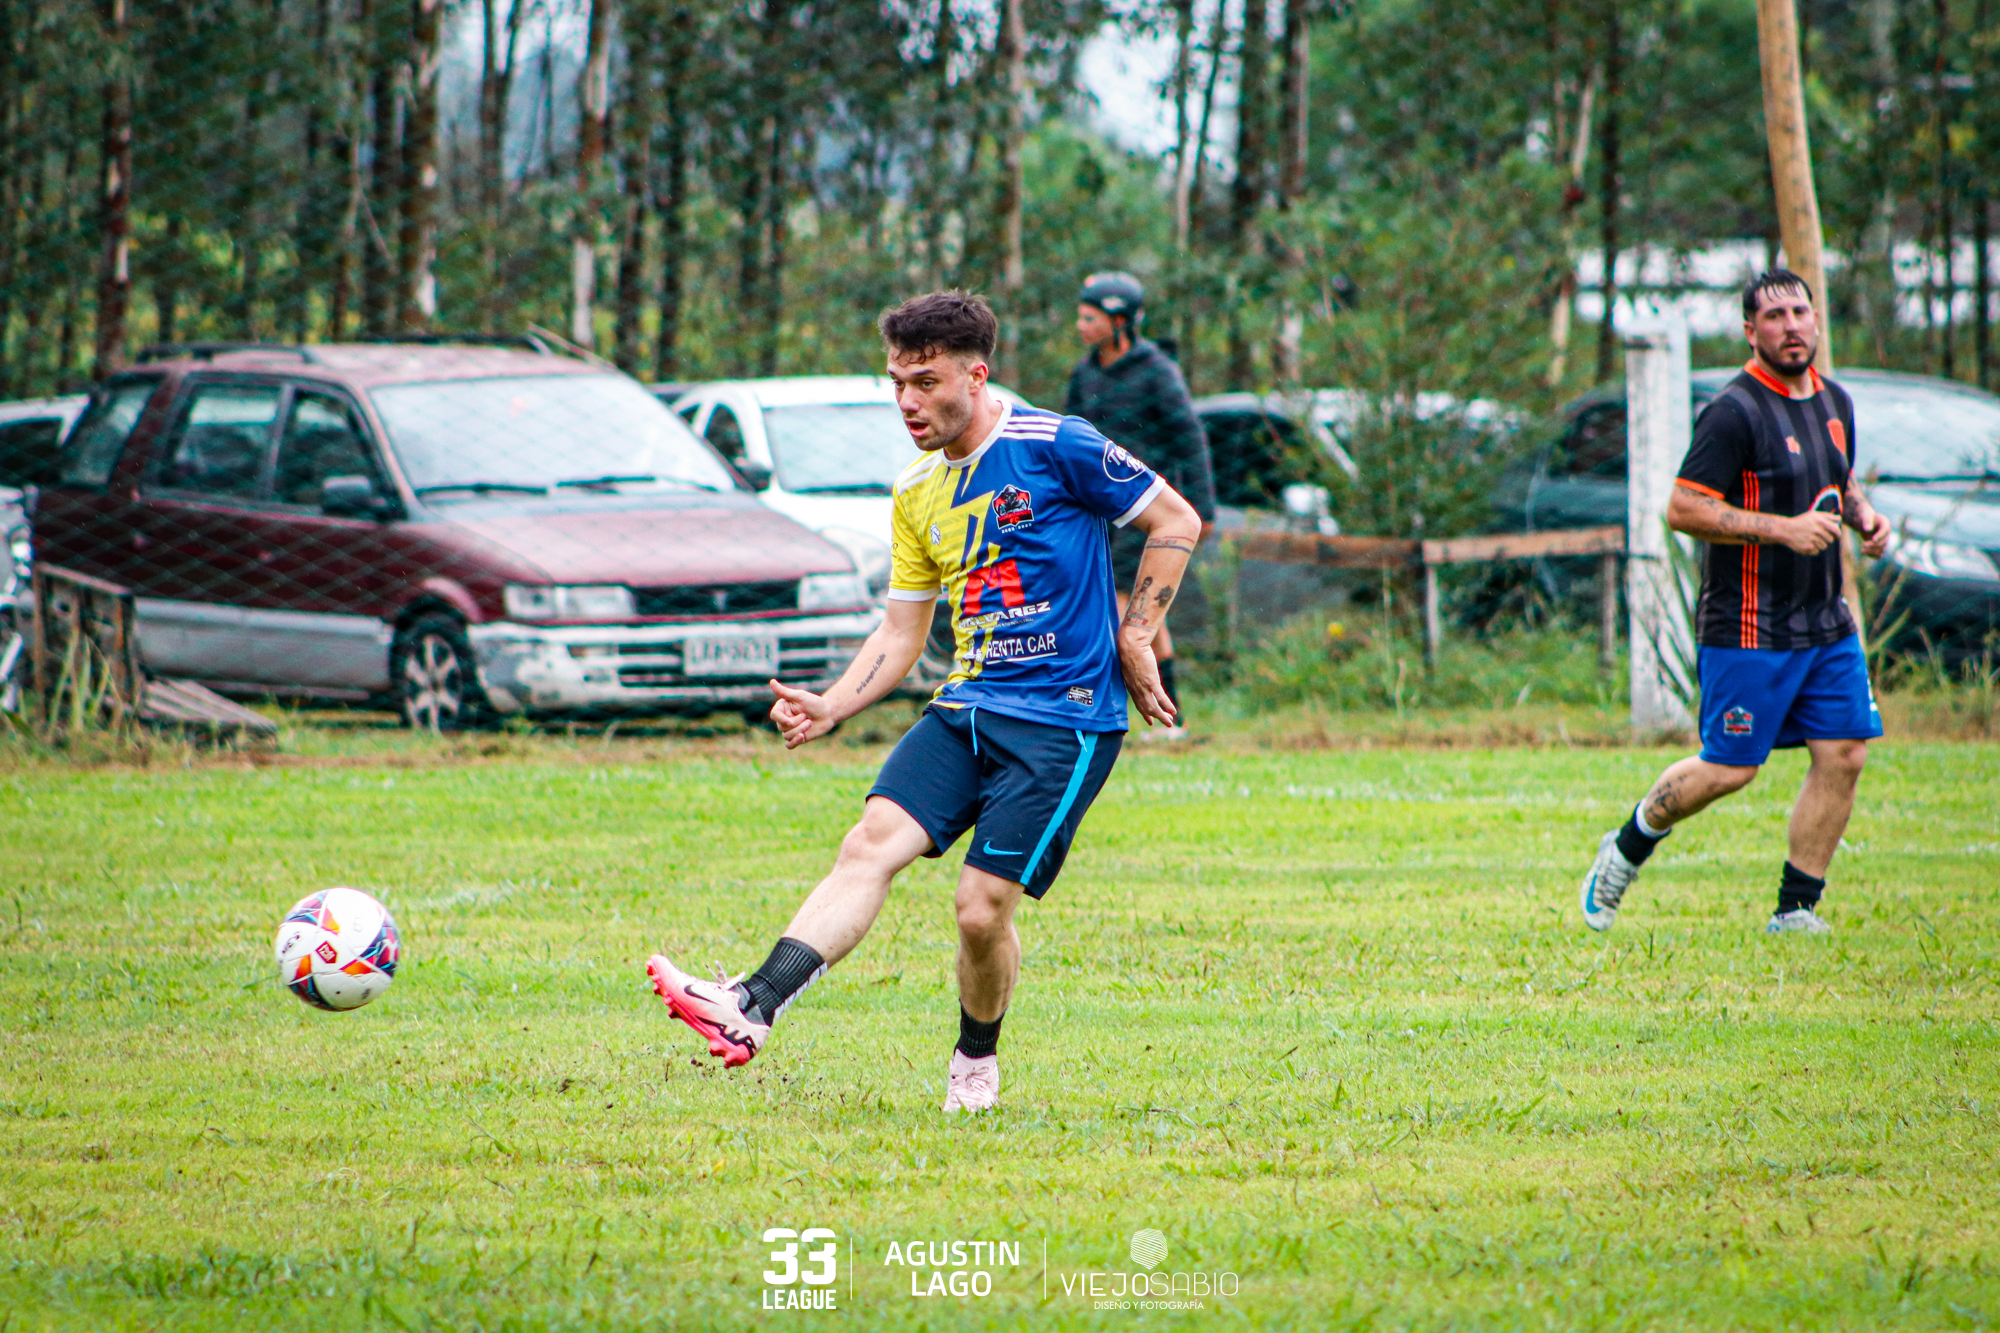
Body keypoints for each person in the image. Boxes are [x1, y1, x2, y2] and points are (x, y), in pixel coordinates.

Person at [645, 291, 1203, 1112]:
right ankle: (751, 1005)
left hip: (1064, 718)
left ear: (976, 377)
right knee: (869, 842)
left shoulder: (1055, 444)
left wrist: (1135, 635)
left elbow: (1175, 519)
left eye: (926, 382)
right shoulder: (915, 489)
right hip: (967, 706)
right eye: (897, 383)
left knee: (979, 910)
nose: (907, 402)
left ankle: (975, 1060)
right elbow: (902, 630)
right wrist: (833, 704)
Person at [1579, 270, 1892, 935]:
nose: (1790, 326)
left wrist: (1864, 515)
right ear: (1751, 332)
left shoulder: (1834, 400)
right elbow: (1683, 508)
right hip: (1748, 625)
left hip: (1826, 621)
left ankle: (1796, 909)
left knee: (1845, 752)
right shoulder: (1734, 412)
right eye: (1773, 317)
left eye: (1799, 312)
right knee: (1730, 768)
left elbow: (1837, 480)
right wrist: (1783, 530)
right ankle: (1627, 845)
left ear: (1816, 319)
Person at [1063, 271, 1216, 739]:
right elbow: (1069, 442)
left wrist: (1202, 509)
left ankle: (1100, 714)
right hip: (1098, 513)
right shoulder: (1084, 374)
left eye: (1090, 318)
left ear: (1119, 321)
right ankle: (1170, 717)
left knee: (1122, 610)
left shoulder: (1157, 371)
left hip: (1143, 513)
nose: (1081, 326)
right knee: (1142, 618)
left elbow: (1190, 438)